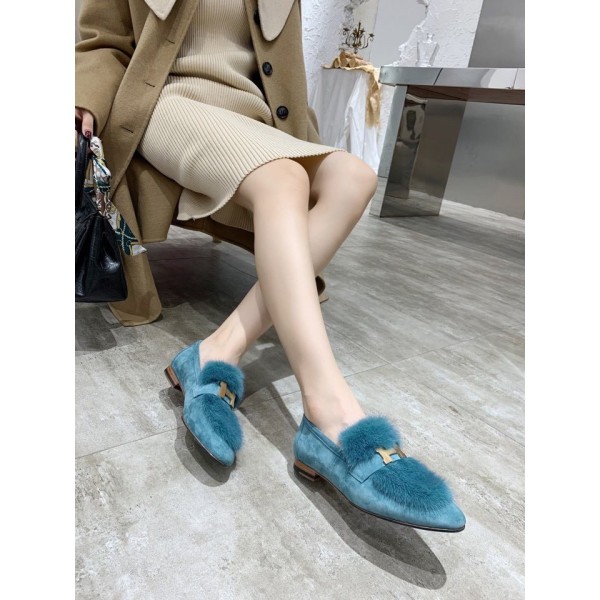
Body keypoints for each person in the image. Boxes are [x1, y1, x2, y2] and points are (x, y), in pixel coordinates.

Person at [75, 0, 465, 532]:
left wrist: (305, 141)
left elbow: (283, 71)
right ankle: (330, 413)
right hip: (166, 104)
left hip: (253, 117)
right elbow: (102, 41)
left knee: (355, 177)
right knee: (284, 178)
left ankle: (216, 351)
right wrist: (82, 101)